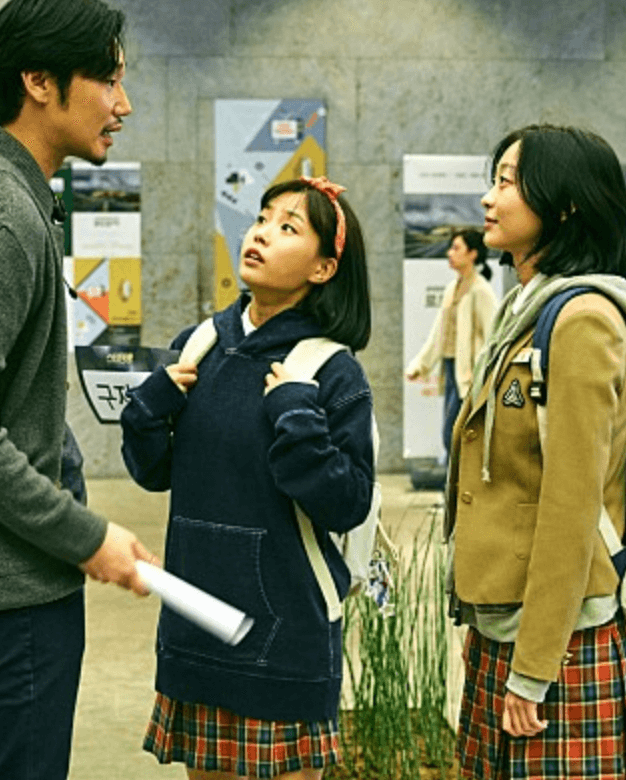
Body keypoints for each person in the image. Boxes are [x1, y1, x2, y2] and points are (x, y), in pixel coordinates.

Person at [0, 1, 158, 779]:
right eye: (108, 81)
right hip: (6, 594)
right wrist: (82, 535)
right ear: (39, 82)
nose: (123, 105)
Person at [121, 176, 375, 780]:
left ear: (324, 268)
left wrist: (296, 416)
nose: (261, 233)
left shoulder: (331, 372)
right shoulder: (199, 345)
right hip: (196, 627)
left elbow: (348, 503)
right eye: (262, 218)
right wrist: (146, 412)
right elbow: (157, 474)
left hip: (287, 638)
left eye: (289, 227)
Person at [444, 124, 626, 778]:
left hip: (561, 646)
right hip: (508, 625)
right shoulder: (526, 308)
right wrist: (481, 621)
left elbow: (571, 506)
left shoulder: (583, 320)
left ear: (564, 206)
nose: (489, 198)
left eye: (508, 182)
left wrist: (534, 667)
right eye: (494, 179)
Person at [406, 227, 497, 460]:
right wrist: (421, 365)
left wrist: (483, 375)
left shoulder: (481, 291)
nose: (449, 253)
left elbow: (493, 338)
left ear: (473, 254)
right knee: (451, 434)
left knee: (455, 434)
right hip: (451, 369)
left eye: (456, 248)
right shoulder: (451, 289)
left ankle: (459, 482)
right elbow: (439, 334)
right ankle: (452, 482)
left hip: (470, 375)